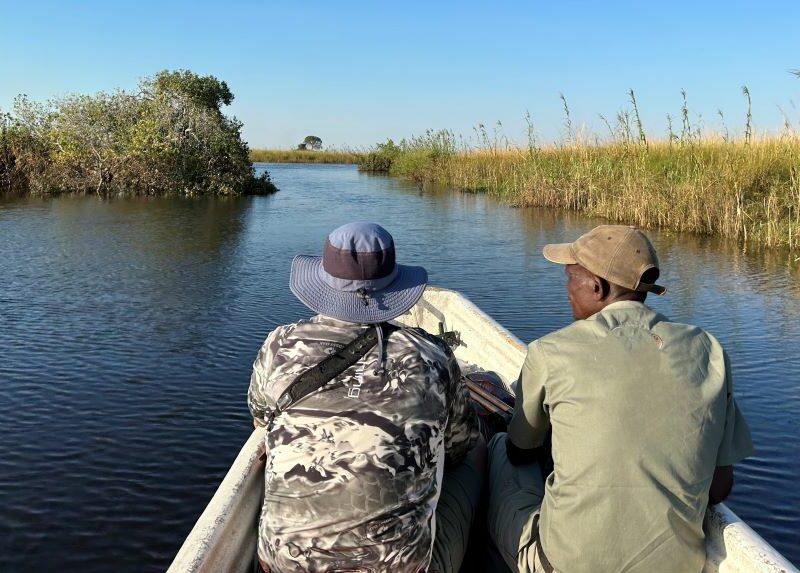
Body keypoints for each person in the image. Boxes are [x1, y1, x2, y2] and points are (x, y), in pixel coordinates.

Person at [488, 225, 753, 573]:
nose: (566, 289)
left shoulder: (550, 352)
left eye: (570, 277)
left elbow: (520, 452)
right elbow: (719, 487)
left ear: (596, 287)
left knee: (496, 448)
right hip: (678, 565)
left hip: (564, 564)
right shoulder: (708, 350)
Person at [248, 222, 482, 573]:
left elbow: (261, 419)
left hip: (283, 566)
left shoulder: (278, 345)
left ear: (324, 281)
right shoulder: (432, 355)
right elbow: (459, 445)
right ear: (393, 284)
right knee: (480, 452)